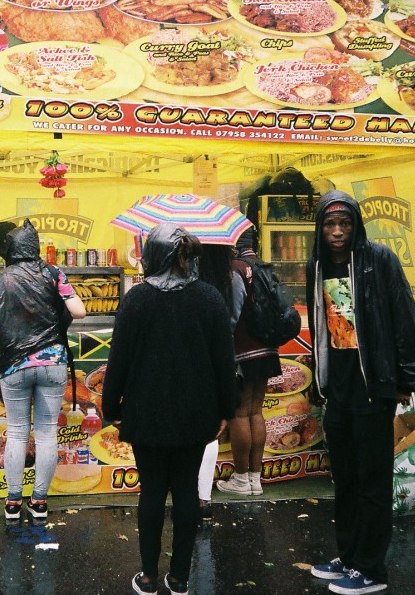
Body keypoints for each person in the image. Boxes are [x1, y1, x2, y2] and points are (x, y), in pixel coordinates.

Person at [102, 223, 237, 595]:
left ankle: (147, 576)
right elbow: (223, 362)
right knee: (186, 492)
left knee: (152, 492)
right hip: (196, 413)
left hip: (145, 413)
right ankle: (179, 578)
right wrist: (227, 408)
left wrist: (111, 406)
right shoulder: (209, 298)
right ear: (182, 256)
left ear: (152, 255)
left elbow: (119, 360)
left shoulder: (136, 299)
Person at [305, 191, 415, 594]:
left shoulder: (379, 261)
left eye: (345, 224)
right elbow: (321, 327)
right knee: (346, 479)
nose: (337, 232)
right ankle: (350, 555)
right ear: (320, 228)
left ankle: (372, 570)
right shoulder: (317, 266)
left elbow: (406, 318)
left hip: (374, 387)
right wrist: (320, 381)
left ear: (356, 226)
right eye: (330, 224)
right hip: (337, 389)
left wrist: (407, 378)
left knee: (373, 481)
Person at [0, 220, 86, 522]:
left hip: (13, 365)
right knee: (47, 433)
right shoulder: (53, 273)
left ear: (10, 250)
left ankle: (13, 503)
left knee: (16, 432)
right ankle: (39, 502)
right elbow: (79, 311)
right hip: (52, 364)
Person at [216, 228, 282, 497]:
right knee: (256, 411)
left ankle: (241, 478)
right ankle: (255, 478)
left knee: (239, 413)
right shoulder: (264, 267)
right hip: (267, 349)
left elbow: (232, 316)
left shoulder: (235, 270)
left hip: (243, 351)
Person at [195, 243, 245, 519]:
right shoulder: (232, 278)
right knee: (210, 427)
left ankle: (187, 491)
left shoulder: (190, 277)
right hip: (221, 356)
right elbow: (233, 319)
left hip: (192, 358)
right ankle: (204, 498)